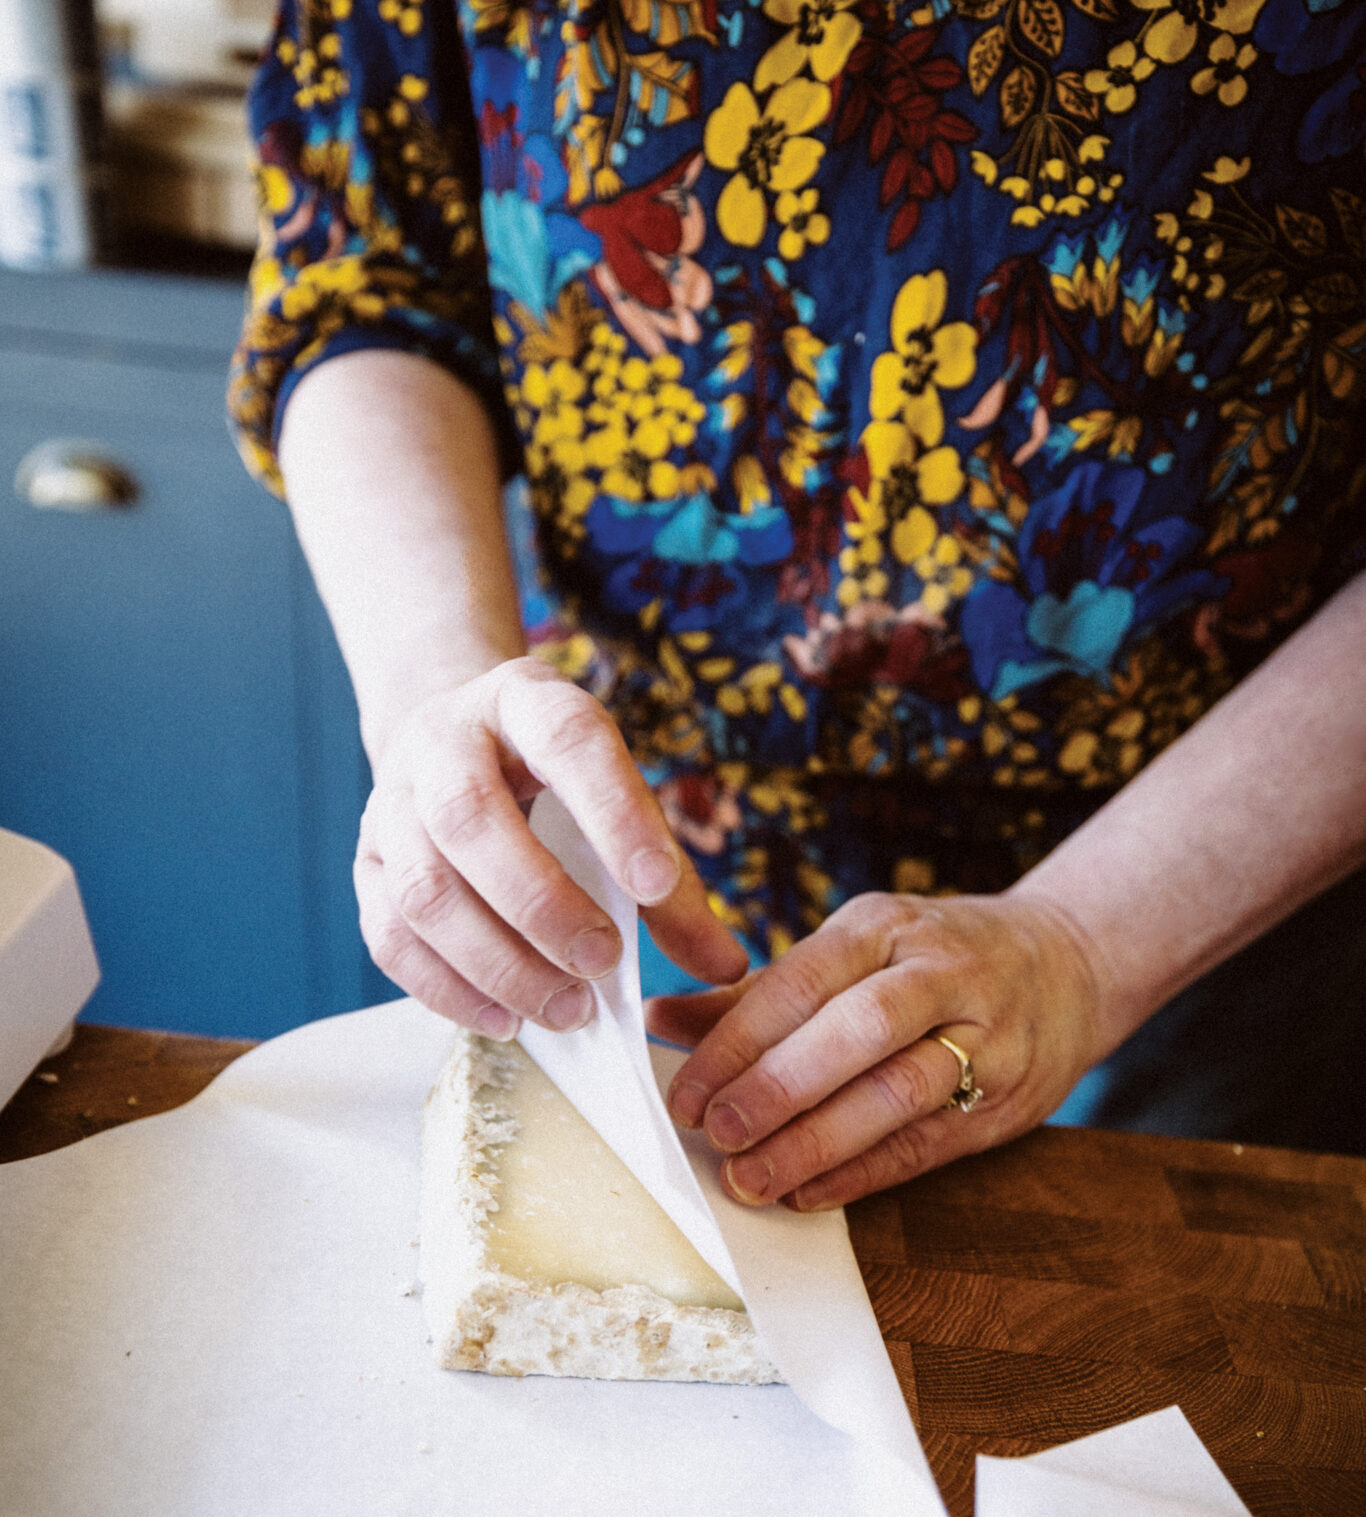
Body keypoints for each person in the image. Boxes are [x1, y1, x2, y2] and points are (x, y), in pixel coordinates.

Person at [229, 0, 1366, 1210]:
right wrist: (435, 689)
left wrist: (1080, 945)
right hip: (648, 847)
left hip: (1228, 889)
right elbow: (367, 276)